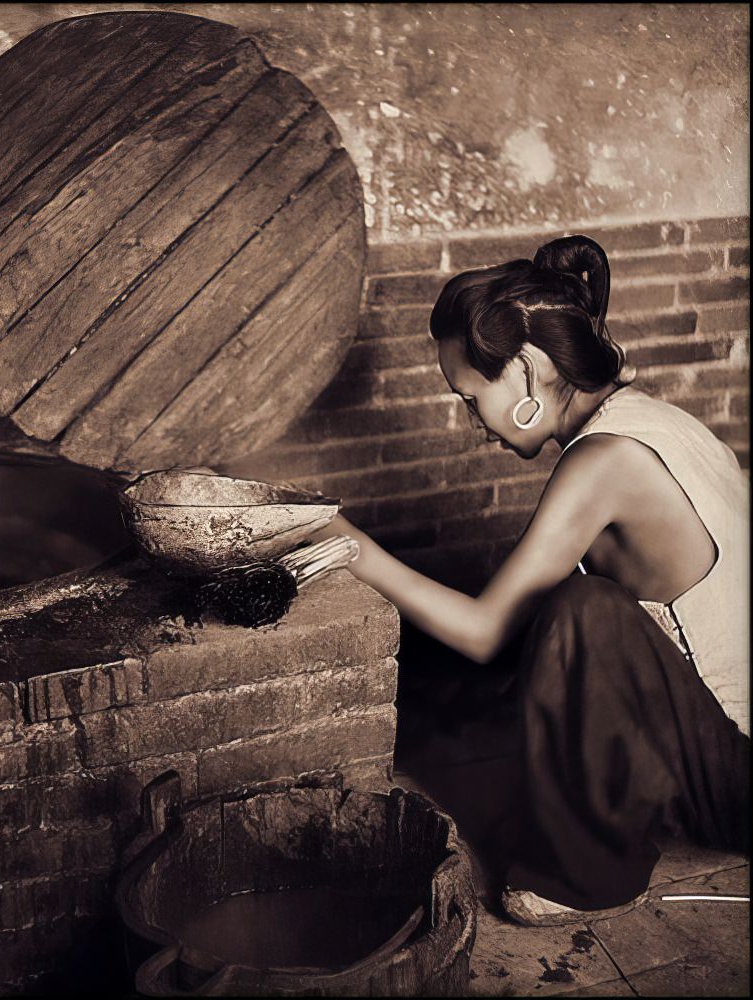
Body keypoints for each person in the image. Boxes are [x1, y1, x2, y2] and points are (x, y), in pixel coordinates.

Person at [312, 234, 750, 926]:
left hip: (740, 781)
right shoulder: (651, 419)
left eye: (470, 397)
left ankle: (592, 876)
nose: (472, 423)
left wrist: (344, 541)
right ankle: (603, 804)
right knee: (559, 605)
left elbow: (487, 631)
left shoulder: (603, 462)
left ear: (523, 372)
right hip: (726, 738)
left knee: (580, 611)